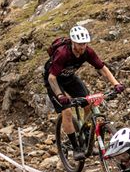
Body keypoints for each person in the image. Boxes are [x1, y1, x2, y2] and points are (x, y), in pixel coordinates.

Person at [44, 25, 123, 157]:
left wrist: (116, 84)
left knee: (89, 103)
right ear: (73, 42)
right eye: (79, 44)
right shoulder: (63, 54)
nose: (82, 47)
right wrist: (59, 95)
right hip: (54, 81)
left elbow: (102, 68)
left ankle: (87, 137)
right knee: (67, 111)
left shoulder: (88, 52)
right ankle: (76, 149)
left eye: (84, 44)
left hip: (69, 78)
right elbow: (52, 78)